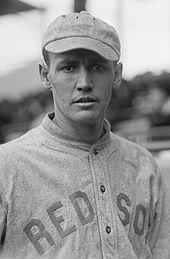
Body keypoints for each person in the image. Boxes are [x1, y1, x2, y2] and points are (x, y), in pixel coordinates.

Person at [0, 11, 170, 259]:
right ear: (46, 75)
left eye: (97, 67)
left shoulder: (143, 165)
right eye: (68, 67)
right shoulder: (7, 166)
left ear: (117, 74)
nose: (84, 82)